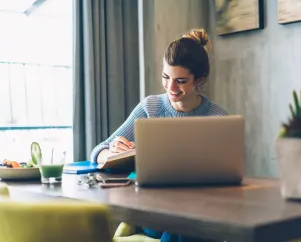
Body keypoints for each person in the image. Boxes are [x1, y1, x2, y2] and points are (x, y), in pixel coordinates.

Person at [90, 28, 228, 242]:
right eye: (166, 77)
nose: (170, 87)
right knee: (179, 227)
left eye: (180, 81)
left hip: (200, 212)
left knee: (186, 224)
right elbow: (97, 151)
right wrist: (111, 152)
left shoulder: (218, 117)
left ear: (199, 80)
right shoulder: (150, 107)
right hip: (153, 213)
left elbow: (229, 175)